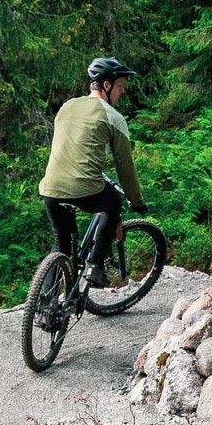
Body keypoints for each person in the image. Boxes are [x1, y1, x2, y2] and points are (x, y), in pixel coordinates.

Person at [39, 56, 144, 280]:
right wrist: (136, 201)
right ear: (106, 85)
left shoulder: (67, 106)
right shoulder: (113, 117)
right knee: (113, 203)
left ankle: (48, 300)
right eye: (120, 85)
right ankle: (95, 265)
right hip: (85, 189)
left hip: (50, 188)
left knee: (61, 244)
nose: (122, 91)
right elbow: (125, 166)